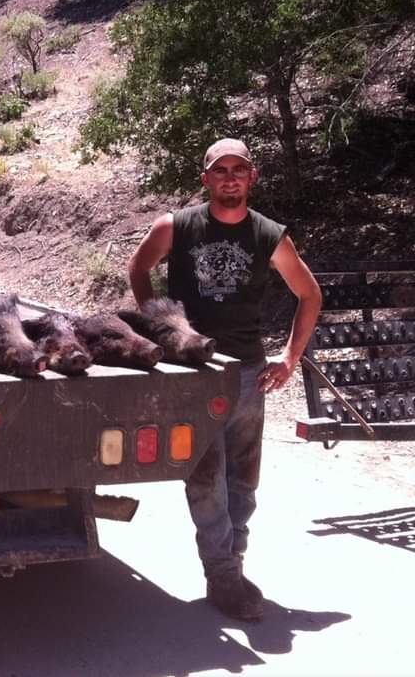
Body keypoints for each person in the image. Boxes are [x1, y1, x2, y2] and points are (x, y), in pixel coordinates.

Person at [128, 138, 322, 622]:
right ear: (206, 179)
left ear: (252, 177)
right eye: (221, 170)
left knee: (243, 480)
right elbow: (139, 267)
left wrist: (290, 357)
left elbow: (309, 294)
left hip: (249, 373)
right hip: (195, 372)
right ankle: (223, 575)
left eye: (239, 169)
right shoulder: (176, 226)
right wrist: (161, 325)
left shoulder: (268, 235)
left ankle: (232, 564)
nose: (230, 178)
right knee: (205, 475)